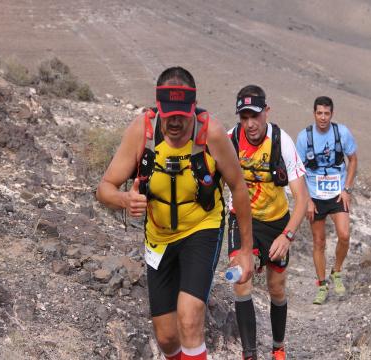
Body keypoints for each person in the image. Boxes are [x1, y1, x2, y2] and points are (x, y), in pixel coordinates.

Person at [96, 67, 254, 360]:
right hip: (159, 238)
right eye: (168, 114)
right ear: (158, 108)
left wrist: (245, 250)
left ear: (193, 108)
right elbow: (104, 188)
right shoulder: (141, 132)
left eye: (182, 114)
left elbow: (239, 189)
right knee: (167, 337)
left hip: (202, 227)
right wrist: (123, 199)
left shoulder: (213, 135)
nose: (175, 122)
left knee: (190, 316)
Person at [227, 85, 309, 360]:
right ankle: (249, 354)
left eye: (255, 116)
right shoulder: (230, 140)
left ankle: (278, 346)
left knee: (276, 288)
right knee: (241, 278)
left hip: (276, 223)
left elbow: (302, 198)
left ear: (267, 113)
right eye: (244, 117)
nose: (250, 124)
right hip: (241, 220)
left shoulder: (281, 141)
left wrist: (287, 236)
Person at [295, 96, 358, 305]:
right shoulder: (304, 137)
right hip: (314, 195)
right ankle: (321, 285)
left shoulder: (342, 132)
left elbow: (353, 159)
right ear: (314, 113)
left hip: (337, 192)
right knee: (319, 241)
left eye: (327, 113)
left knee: (344, 235)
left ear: (332, 114)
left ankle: (336, 271)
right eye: (319, 113)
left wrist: (347, 189)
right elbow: (298, 170)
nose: (323, 117)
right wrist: (307, 201)